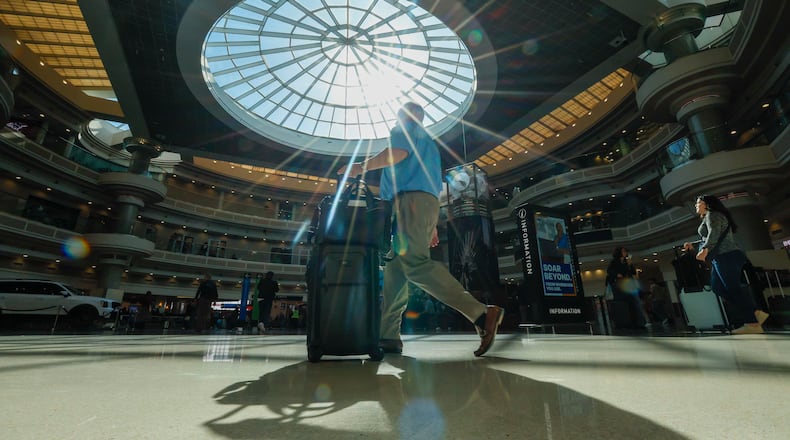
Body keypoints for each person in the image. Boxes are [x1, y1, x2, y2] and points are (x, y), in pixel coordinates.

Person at [337, 102, 504, 357]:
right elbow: (432, 184)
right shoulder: (429, 144)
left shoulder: (403, 130)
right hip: (422, 205)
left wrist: (360, 167)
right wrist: (432, 225)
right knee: (395, 271)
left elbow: (396, 154)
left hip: (408, 202)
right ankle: (388, 336)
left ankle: (481, 314)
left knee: (414, 263)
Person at [683, 195, 770, 334]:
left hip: (727, 255)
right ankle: (755, 313)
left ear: (707, 204)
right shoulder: (709, 216)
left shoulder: (713, 214)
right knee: (718, 288)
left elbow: (714, 234)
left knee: (732, 288)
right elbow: (711, 236)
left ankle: (753, 323)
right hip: (721, 257)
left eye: (698, 203)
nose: (696, 206)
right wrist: (694, 245)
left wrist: (705, 249)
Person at [606, 246, 647, 329]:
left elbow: (633, 272)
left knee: (635, 302)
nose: (625, 253)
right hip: (620, 284)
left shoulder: (627, 261)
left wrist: (630, 264)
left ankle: (639, 322)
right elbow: (610, 271)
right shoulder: (614, 262)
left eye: (625, 251)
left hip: (629, 283)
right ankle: (627, 322)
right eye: (623, 251)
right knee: (625, 303)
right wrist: (617, 274)